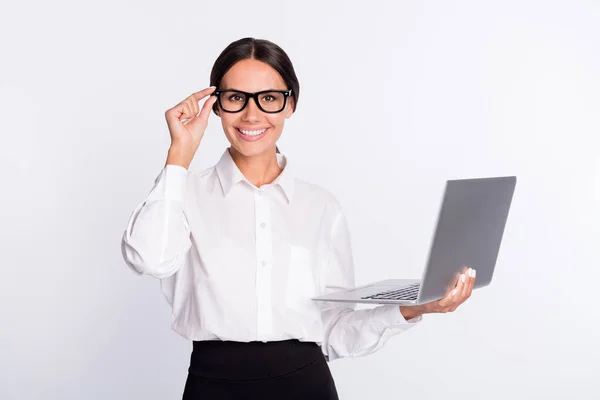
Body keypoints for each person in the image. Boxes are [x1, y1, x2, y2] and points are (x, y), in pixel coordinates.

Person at [120, 37, 476, 400]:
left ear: (290, 104)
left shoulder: (321, 207)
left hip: (307, 387)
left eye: (269, 98)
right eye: (236, 98)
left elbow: (334, 332)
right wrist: (178, 155)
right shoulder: (183, 192)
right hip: (213, 387)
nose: (252, 114)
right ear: (215, 106)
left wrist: (416, 307)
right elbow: (150, 258)